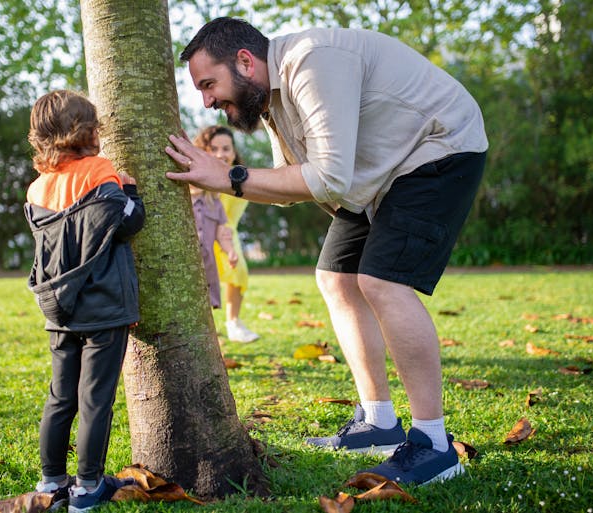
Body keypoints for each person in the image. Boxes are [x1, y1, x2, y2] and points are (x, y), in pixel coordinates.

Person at [165, 17, 487, 485]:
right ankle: (379, 422)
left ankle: (434, 444)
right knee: (336, 277)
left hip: (439, 147)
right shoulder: (272, 98)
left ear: (245, 61)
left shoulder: (311, 61)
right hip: (375, 173)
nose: (208, 101)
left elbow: (328, 178)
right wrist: (225, 180)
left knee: (382, 281)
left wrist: (228, 178)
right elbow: (289, 183)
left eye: (209, 84)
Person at [24, 90, 144, 513]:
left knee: (61, 397)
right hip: (104, 304)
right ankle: (88, 485)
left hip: (60, 308)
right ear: (87, 130)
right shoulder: (99, 171)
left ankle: (52, 479)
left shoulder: (36, 188)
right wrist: (132, 193)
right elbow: (126, 223)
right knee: (95, 398)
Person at [193, 125, 260, 343]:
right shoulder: (197, 177)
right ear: (204, 150)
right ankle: (206, 329)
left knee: (238, 271)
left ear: (233, 151)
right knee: (201, 281)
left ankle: (233, 323)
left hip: (225, 230)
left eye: (226, 148)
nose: (221, 154)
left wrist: (228, 246)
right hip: (200, 233)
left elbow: (230, 219)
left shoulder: (241, 178)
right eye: (214, 148)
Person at [189, 182, 239, 309]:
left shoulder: (215, 204)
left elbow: (222, 234)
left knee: (207, 302)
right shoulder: (179, 202)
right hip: (187, 262)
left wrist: (230, 251)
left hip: (207, 263)